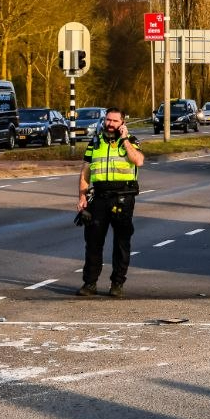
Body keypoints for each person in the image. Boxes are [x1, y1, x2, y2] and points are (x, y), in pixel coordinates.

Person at [76, 108, 145, 297]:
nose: (110, 124)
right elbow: (85, 173)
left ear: (122, 123)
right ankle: (89, 284)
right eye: (108, 120)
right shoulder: (95, 143)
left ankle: (117, 284)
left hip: (123, 198)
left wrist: (124, 140)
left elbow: (138, 161)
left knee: (121, 242)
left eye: (115, 121)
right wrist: (82, 197)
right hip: (98, 199)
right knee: (93, 242)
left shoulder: (130, 142)